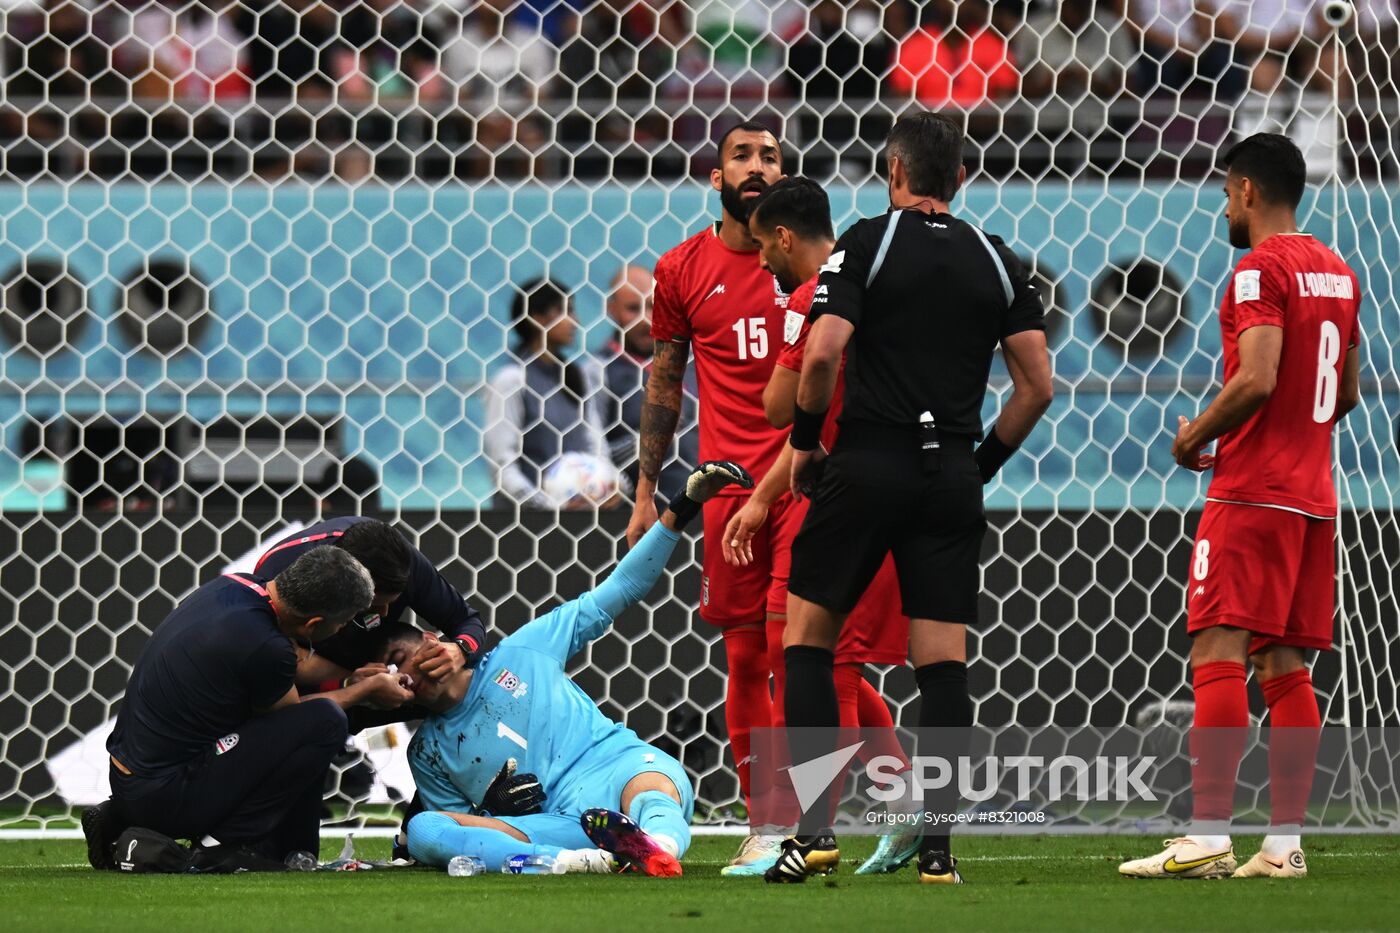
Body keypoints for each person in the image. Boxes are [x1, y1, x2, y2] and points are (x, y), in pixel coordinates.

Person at [768, 112, 1053, 884]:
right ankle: (937, 850)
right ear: (958, 178)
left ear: (895, 170)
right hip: (951, 473)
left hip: (868, 460)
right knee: (941, 664)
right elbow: (1037, 386)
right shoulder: (998, 260)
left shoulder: (867, 241)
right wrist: (978, 462)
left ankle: (815, 831)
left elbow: (823, 353)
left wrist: (802, 441)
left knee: (808, 638)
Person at [1119, 133, 1361, 880]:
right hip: (1314, 498)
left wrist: (1194, 432)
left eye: (1226, 194)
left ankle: (1207, 835)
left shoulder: (1259, 271)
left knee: (1216, 650)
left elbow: (1255, 377)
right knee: (1285, 664)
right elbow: (1346, 392)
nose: (1225, 207)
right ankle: (1283, 845)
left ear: (1248, 190)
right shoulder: (1339, 271)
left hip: (1252, 491)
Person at [395, 461, 754, 875]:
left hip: (615, 767)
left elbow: (623, 587)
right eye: (392, 674)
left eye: (402, 660)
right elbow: (462, 833)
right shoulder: (426, 751)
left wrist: (683, 506)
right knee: (424, 830)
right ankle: (577, 862)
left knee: (652, 785)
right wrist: (492, 809)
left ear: (429, 639)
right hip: (554, 827)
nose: (403, 677)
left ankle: (658, 848)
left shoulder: (524, 650)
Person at [721, 177, 914, 877]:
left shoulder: (812, 298)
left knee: (809, 663)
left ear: (781, 237)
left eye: (763, 247)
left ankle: (803, 832)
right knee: (822, 664)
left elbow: (780, 409)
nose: (762, 264)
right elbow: (808, 434)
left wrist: (787, 341)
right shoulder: (868, 281)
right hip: (851, 485)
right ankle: (904, 806)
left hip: (834, 503)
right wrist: (762, 498)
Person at [625, 120, 788, 873]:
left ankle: (902, 805)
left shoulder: (814, 263)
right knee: (747, 658)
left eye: (772, 157)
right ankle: (768, 825)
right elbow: (664, 382)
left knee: (822, 657)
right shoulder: (683, 267)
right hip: (729, 494)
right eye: (742, 156)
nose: (758, 167)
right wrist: (645, 491)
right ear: (716, 178)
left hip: (809, 484)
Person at [82, 547, 415, 871]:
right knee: (326, 722)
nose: (342, 630)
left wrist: (350, 679)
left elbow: (296, 667)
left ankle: (120, 817)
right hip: (165, 796)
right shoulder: (265, 646)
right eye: (343, 623)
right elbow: (297, 719)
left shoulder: (234, 587)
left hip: (131, 779)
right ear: (314, 624)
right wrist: (363, 691)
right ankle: (222, 845)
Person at [254, 516, 489, 693]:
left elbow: (466, 620)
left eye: (392, 602)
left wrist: (460, 650)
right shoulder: (279, 576)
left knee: (434, 686)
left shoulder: (405, 564)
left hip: (370, 671)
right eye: (372, 605)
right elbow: (284, 662)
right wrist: (355, 683)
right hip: (316, 681)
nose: (385, 613)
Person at [483, 277, 619, 509]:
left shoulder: (578, 378)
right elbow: (503, 467)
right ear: (536, 317)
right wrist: (551, 507)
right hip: (524, 523)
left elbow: (596, 447)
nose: (574, 321)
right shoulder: (512, 380)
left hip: (580, 517)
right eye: (563, 311)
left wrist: (608, 487)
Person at [598, 263, 699, 501]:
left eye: (653, 307)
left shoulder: (693, 362)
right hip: (647, 512)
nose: (645, 319)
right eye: (633, 309)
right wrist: (650, 436)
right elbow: (594, 456)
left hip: (707, 507)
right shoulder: (598, 371)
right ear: (611, 309)